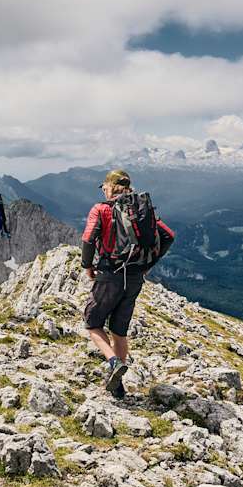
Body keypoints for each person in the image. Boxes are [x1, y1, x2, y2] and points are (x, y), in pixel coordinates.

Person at [81, 169, 175, 398]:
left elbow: (88, 238)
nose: (103, 189)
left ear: (110, 187)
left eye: (104, 186)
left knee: (93, 323)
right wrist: (148, 264)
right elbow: (168, 236)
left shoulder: (101, 209)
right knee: (119, 331)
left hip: (111, 273)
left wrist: (87, 265)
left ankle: (113, 363)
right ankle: (118, 385)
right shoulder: (142, 210)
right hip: (134, 278)